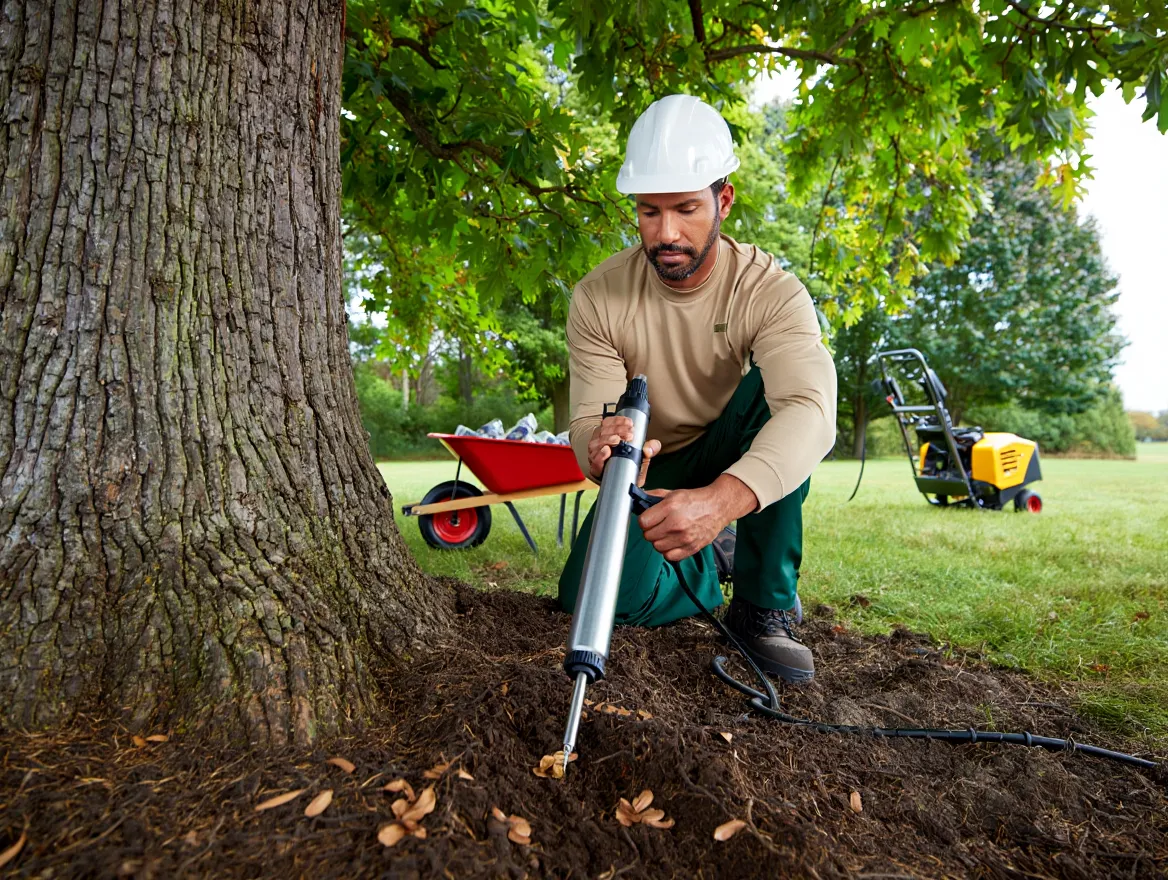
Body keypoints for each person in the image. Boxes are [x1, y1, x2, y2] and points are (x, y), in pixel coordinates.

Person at [558, 94, 837, 683]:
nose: (666, 233)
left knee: (779, 395)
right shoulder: (596, 298)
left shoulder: (771, 293)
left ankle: (764, 605)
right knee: (599, 602)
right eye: (648, 211)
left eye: (686, 209)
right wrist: (600, 445)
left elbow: (811, 411)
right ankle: (713, 560)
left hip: (729, 447)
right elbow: (587, 417)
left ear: (723, 199)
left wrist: (722, 501)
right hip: (646, 463)